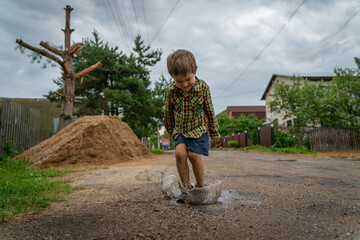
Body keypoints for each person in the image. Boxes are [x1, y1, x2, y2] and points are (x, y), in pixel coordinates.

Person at [164, 49, 220, 203]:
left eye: (188, 79)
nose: (184, 84)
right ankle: (186, 189)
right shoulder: (170, 91)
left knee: (194, 155)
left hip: (198, 128)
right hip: (180, 129)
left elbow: (209, 110)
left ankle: (200, 187)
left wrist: (215, 133)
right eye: (179, 81)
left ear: (194, 71)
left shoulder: (203, 88)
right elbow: (168, 112)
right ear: (173, 78)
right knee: (180, 154)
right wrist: (171, 130)